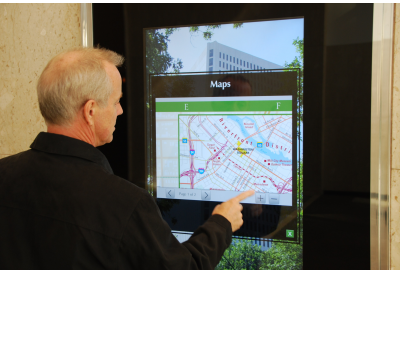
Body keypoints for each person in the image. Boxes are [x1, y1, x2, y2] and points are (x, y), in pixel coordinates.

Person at [0, 47, 253, 269]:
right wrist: (221, 223)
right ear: (90, 111)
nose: (120, 110)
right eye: (116, 101)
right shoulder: (125, 205)